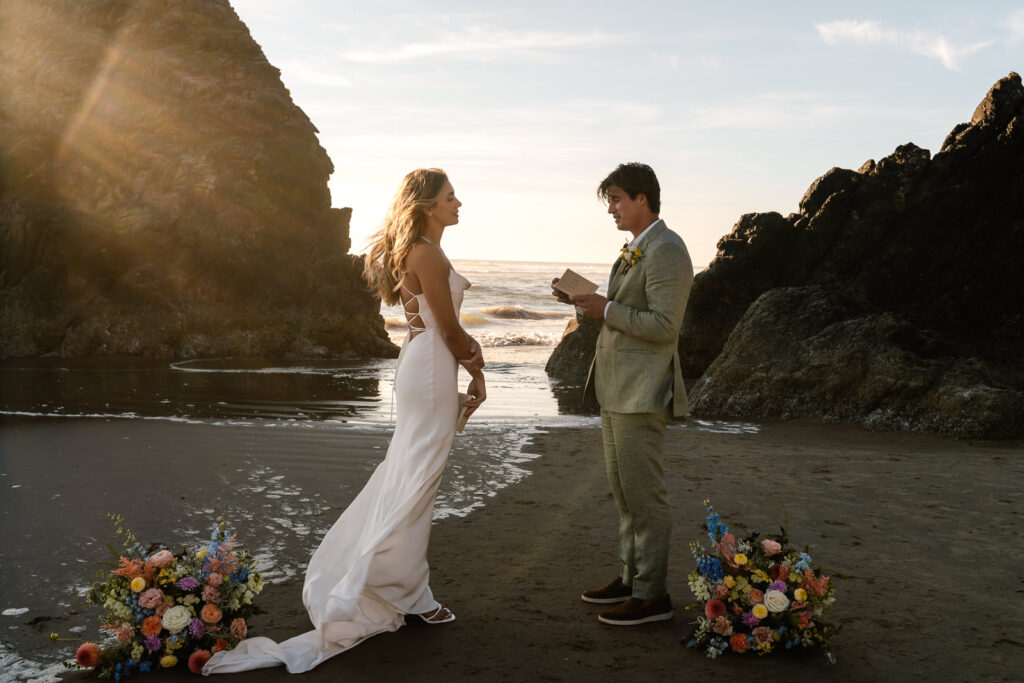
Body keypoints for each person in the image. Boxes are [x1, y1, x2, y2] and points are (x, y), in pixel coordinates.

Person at [204, 168, 485, 674]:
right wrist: (477, 361)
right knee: (416, 481)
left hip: (423, 368)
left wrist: (468, 364)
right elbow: (449, 329)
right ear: (426, 206)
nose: (458, 202)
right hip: (432, 371)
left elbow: (438, 330)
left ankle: (404, 585)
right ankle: (404, 591)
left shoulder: (415, 251)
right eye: (449, 197)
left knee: (410, 478)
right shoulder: (428, 253)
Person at [552, 162, 693, 626]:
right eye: (609, 199)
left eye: (615, 198)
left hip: (642, 389)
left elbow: (664, 326)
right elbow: (623, 314)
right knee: (623, 491)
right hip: (616, 387)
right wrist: (586, 307)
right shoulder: (636, 248)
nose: (610, 208)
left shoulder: (667, 249)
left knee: (644, 495)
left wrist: (606, 307)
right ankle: (632, 577)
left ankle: (652, 596)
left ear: (642, 199)